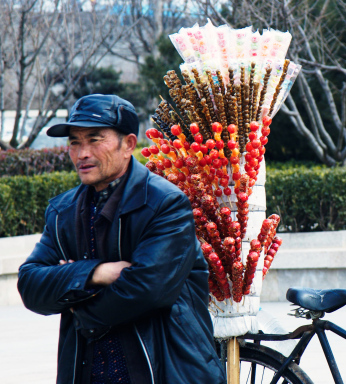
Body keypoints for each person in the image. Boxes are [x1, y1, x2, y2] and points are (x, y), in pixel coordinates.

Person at [17, 94, 226, 383]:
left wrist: (74, 301)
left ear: (128, 144)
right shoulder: (61, 211)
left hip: (163, 369)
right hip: (86, 370)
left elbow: (147, 289)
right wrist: (96, 273)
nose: (82, 153)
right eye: (75, 142)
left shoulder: (165, 203)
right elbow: (30, 285)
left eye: (94, 139)